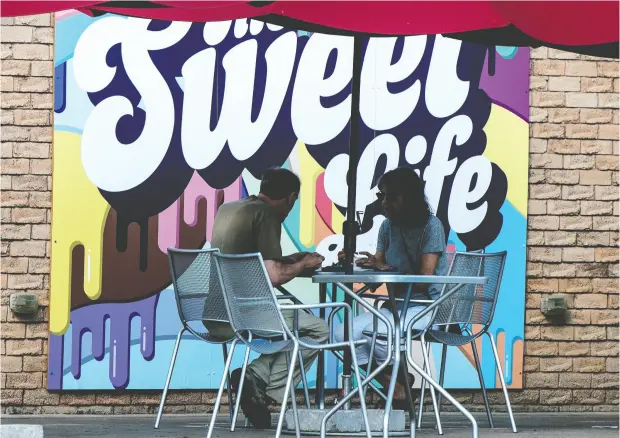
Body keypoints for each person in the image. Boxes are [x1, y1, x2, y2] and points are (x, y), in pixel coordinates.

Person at [207, 167, 328, 429]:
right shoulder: (267, 215)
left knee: (290, 329)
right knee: (317, 330)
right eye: (293, 203)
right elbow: (273, 276)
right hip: (245, 316)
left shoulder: (229, 209)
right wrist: (304, 262)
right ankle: (260, 384)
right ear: (290, 197)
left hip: (214, 314)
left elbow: (252, 262)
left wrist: (295, 260)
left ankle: (256, 380)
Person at [334, 167, 449, 407]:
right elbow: (378, 272)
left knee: (383, 334)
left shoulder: (432, 226)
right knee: (341, 333)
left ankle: (399, 383)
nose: (384, 202)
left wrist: (386, 269)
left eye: (391, 196)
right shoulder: (387, 227)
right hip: (395, 308)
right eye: (381, 196)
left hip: (428, 307)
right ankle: (396, 386)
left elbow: (425, 278)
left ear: (409, 197)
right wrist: (361, 264)